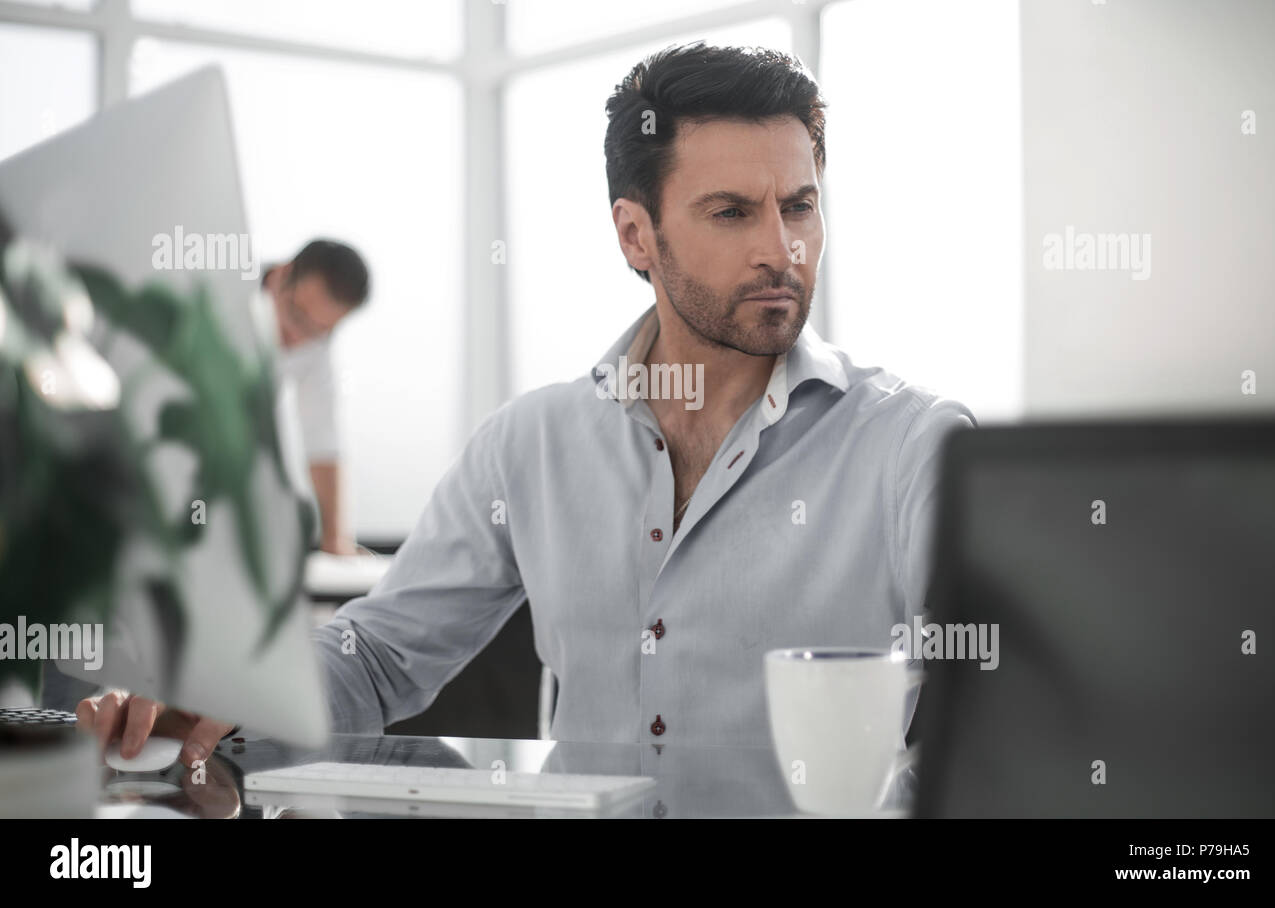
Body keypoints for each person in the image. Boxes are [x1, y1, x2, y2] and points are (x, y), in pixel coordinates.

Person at [79, 44, 976, 767]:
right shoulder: (533, 443)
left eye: (801, 206)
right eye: (733, 212)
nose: (782, 250)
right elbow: (384, 653)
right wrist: (235, 697)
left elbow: (992, 720)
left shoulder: (916, 449)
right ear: (636, 235)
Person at [262, 239, 370, 556]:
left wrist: (335, 539)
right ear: (282, 274)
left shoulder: (316, 346)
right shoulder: (216, 293)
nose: (296, 337)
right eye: (295, 313)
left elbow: (323, 441)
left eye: (316, 329)